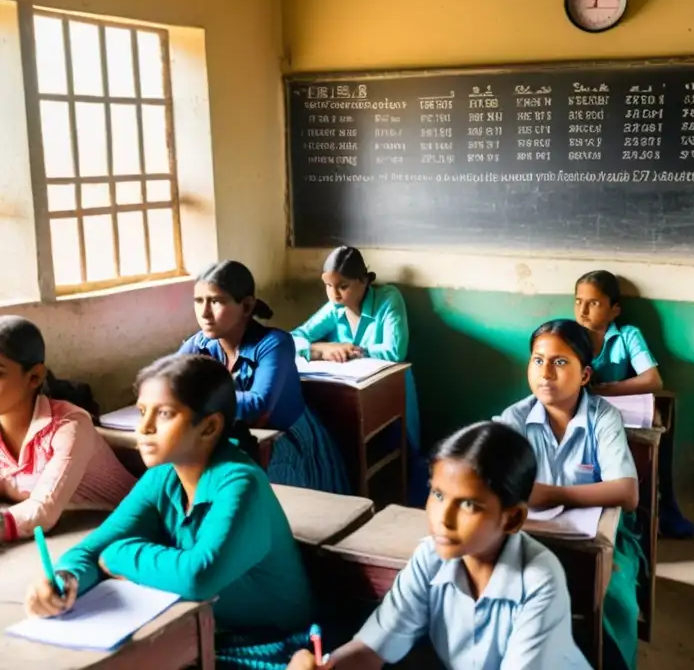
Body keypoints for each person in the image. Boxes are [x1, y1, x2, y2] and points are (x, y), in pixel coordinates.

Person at [25, 355, 316, 669]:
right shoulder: (162, 477)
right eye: (141, 412)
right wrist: (64, 577)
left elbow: (198, 575)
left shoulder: (240, 483)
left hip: (275, 642)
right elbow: (91, 549)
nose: (145, 428)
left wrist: (119, 554)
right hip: (211, 631)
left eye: (164, 414)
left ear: (209, 427)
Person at [286, 422, 590, 670]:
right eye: (438, 495)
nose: (443, 519)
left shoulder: (539, 580)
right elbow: (372, 647)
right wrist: (328, 666)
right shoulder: (430, 558)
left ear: (512, 519)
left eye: (469, 505)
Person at [494, 319, 642, 670]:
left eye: (560, 362)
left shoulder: (603, 418)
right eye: (537, 360)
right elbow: (491, 479)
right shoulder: (514, 418)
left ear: (585, 375)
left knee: (610, 599)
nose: (545, 373)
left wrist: (555, 494)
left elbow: (627, 492)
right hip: (530, 536)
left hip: (602, 539)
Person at [181, 260, 348, 494]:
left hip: (285, 441)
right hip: (236, 437)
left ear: (247, 306)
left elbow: (258, 404)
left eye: (216, 301)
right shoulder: (200, 343)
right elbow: (166, 385)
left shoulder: (274, 344)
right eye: (199, 301)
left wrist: (194, 400)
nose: (205, 313)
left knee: (261, 497)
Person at [290, 246, 422, 498]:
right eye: (328, 285)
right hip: (350, 387)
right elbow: (293, 338)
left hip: (390, 387)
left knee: (402, 456)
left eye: (343, 286)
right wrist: (318, 348)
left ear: (364, 281)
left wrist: (350, 350)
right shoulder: (335, 308)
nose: (334, 294)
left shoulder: (388, 299)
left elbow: (395, 351)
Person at [574, 270, 694, 539]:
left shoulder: (627, 335)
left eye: (593, 303)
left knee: (647, 449)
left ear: (614, 310)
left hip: (618, 416)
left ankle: (649, 516)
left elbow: (653, 380)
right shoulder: (568, 335)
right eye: (578, 301)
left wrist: (607, 390)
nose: (582, 311)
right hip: (578, 415)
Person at [0, 316, 134, 543]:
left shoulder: (70, 425)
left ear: (34, 377)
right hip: (67, 534)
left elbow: (43, 511)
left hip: (124, 532)